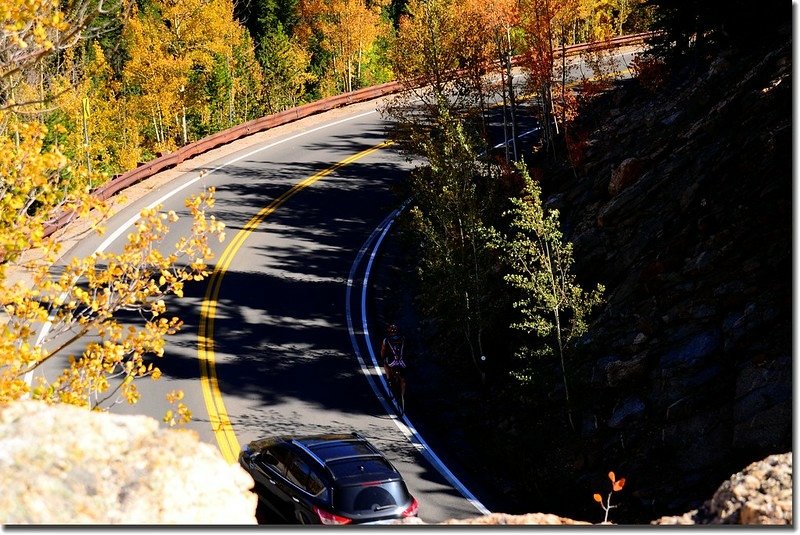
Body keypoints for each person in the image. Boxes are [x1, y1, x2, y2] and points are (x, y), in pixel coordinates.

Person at [380, 324, 406, 399]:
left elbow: (383, 351)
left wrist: (382, 357)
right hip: (402, 362)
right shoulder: (403, 338)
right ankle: (403, 394)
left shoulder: (386, 340)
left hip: (392, 362)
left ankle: (389, 379)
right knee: (403, 376)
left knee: (385, 363)